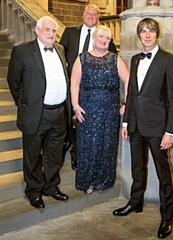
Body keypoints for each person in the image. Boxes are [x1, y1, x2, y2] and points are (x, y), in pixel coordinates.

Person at [112, 18, 173, 239]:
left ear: (156, 34)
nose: (147, 35)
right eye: (143, 31)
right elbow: (132, 94)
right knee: (137, 169)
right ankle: (135, 203)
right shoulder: (133, 60)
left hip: (158, 127)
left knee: (163, 174)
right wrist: (126, 123)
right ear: (139, 35)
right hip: (135, 126)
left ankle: (167, 217)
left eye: (151, 31)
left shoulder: (169, 61)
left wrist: (170, 131)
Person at [7, 16, 71, 209]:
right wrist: (27, 104)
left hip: (59, 113)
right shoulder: (22, 51)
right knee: (33, 155)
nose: (51, 34)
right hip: (36, 113)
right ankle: (34, 190)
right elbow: (14, 82)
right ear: (37, 30)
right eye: (47, 30)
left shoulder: (60, 49)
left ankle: (51, 186)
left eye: (54, 30)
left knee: (54, 154)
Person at [70, 25, 129, 194]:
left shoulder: (115, 59)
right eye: (101, 37)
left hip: (110, 110)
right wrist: (75, 105)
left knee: (107, 145)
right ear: (94, 38)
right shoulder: (82, 58)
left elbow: (128, 79)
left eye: (107, 38)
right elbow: (74, 82)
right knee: (89, 145)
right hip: (87, 110)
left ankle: (103, 180)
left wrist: (126, 102)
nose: (104, 40)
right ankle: (88, 181)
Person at [59, 4, 117, 170]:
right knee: (68, 118)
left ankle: (77, 155)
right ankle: (67, 144)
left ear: (98, 17)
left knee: (85, 122)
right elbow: (60, 55)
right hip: (73, 85)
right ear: (83, 14)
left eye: (95, 13)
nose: (91, 16)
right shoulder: (70, 32)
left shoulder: (103, 36)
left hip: (94, 90)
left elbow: (113, 59)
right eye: (88, 13)